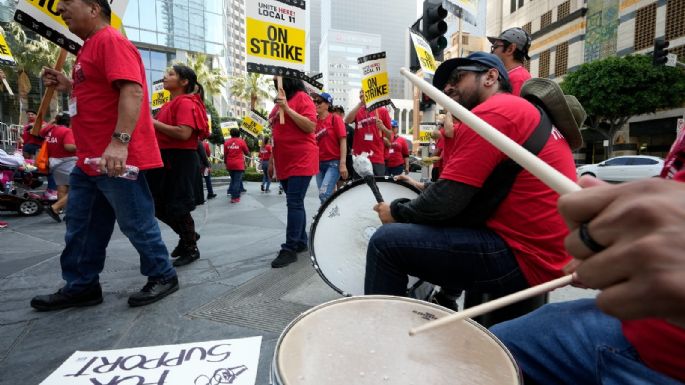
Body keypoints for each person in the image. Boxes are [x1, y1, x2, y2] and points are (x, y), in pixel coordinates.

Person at [364, 52, 579, 303]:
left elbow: (445, 202)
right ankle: (442, 303)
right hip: (539, 251)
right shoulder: (517, 111)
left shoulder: (494, 114)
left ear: (490, 77)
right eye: (445, 84)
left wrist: (397, 211)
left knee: (385, 243)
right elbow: (464, 191)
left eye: (457, 77)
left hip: (523, 256)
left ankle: (380, 335)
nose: (448, 87)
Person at [491, 131, 685, 384]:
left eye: (455, 86)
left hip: (669, 359)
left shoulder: (505, 115)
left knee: (493, 352)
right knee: (498, 340)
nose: (449, 88)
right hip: (637, 320)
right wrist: (623, 253)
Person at [30, 0, 179, 311]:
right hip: (89, 159)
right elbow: (98, 92)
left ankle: (162, 275)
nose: (60, 8)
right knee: (81, 225)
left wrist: (119, 142)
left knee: (135, 221)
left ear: (94, 9)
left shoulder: (110, 41)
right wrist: (67, 84)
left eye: (69, 3)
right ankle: (82, 285)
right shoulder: (87, 48)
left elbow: (133, 91)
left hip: (115, 158)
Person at [149, 64, 209, 267]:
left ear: (184, 82)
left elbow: (183, 134)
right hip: (167, 158)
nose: (164, 77)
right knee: (159, 205)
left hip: (180, 159)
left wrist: (152, 123)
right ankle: (188, 236)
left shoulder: (185, 102)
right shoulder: (170, 103)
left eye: (171, 74)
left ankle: (190, 247)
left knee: (178, 206)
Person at [268, 77, 317, 268]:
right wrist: (272, 161)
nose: (274, 79)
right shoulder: (279, 99)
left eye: (277, 76)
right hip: (284, 160)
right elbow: (275, 133)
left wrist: (287, 109)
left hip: (301, 158)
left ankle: (289, 249)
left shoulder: (302, 98)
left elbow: (310, 126)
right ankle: (301, 242)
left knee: (294, 202)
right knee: (296, 202)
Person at [344, 90, 392, 177]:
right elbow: (347, 121)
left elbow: (390, 136)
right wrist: (360, 104)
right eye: (360, 93)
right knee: (359, 187)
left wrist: (383, 128)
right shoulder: (357, 110)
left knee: (377, 187)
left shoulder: (382, 111)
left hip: (376, 158)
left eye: (364, 92)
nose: (361, 94)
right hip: (359, 159)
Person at [41, 112, 76, 223]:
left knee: (62, 189)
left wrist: (52, 122)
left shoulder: (51, 130)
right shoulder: (67, 131)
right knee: (77, 187)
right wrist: (83, 146)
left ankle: (68, 214)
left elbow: (41, 132)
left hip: (54, 162)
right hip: (68, 161)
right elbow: (69, 147)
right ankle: (54, 207)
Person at [313, 91, 347, 204]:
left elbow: (343, 140)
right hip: (318, 165)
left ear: (328, 104)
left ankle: (324, 219)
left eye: (319, 101)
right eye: (315, 101)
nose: (316, 104)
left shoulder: (335, 119)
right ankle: (334, 216)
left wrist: (342, 163)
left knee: (324, 194)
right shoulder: (314, 122)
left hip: (333, 164)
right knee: (327, 197)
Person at [488, 27, 532, 96]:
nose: (491, 52)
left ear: (510, 49)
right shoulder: (511, 76)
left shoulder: (518, 79)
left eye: (495, 47)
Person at [224, 128, 249, 203]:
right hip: (238, 164)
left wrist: (225, 163)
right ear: (238, 134)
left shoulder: (226, 142)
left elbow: (225, 155)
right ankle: (235, 197)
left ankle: (231, 192)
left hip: (230, 164)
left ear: (231, 134)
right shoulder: (241, 141)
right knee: (237, 181)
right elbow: (247, 152)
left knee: (234, 180)